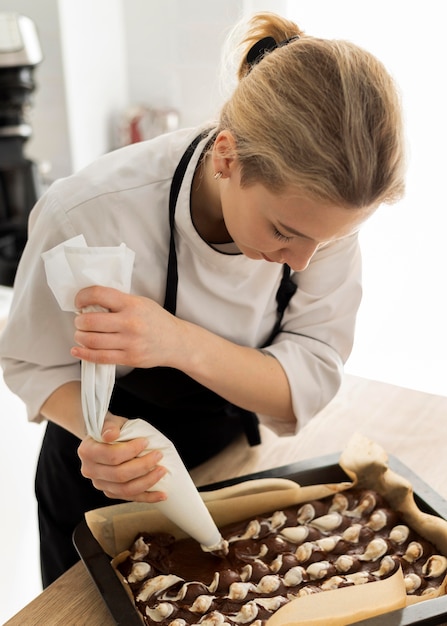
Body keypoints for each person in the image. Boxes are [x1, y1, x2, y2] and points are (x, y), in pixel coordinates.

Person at [0, 11, 405, 587]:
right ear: (226, 157)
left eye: (330, 240)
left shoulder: (320, 213)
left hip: (230, 466)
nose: (303, 262)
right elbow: (31, 362)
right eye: (284, 232)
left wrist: (177, 341)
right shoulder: (89, 212)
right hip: (100, 486)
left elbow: (309, 379)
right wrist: (104, 435)